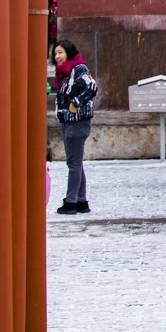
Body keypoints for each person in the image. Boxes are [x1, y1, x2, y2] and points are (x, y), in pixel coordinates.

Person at [52, 39, 99, 215]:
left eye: (60, 53)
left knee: (73, 163)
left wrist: (76, 103)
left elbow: (92, 86)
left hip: (77, 121)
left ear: (69, 53)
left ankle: (70, 202)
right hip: (69, 121)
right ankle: (81, 201)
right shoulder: (65, 73)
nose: (57, 57)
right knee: (76, 163)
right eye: (55, 53)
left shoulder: (78, 69)